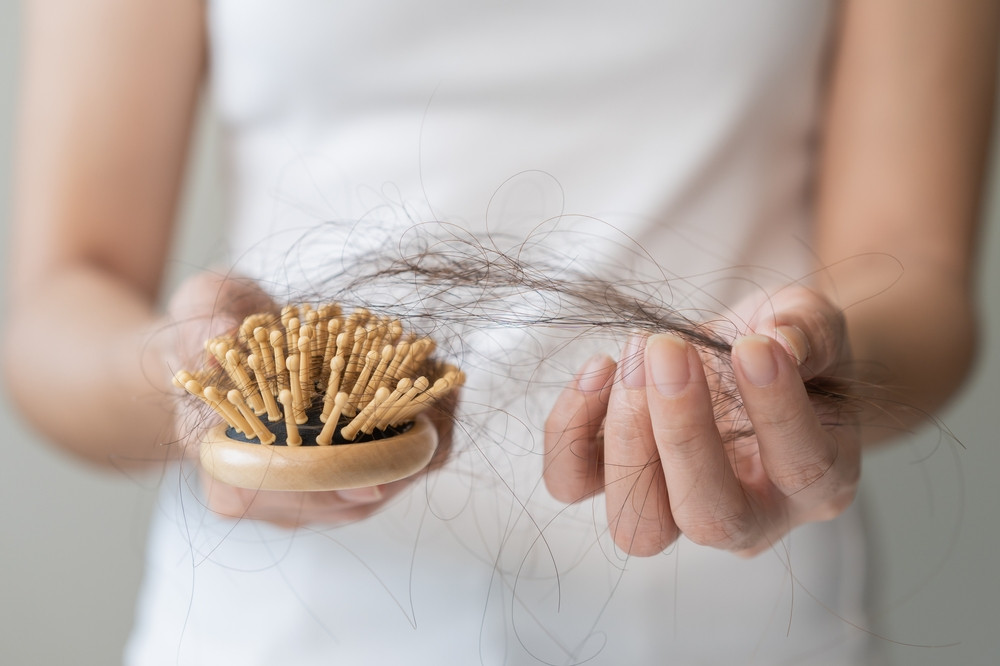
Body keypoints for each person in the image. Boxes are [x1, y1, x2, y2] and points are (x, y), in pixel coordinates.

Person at [4, 0, 996, 663]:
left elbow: (917, 272)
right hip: (276, 631)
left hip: (735, 624)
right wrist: (190, 387)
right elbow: (58, 300)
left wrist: (807, 378)